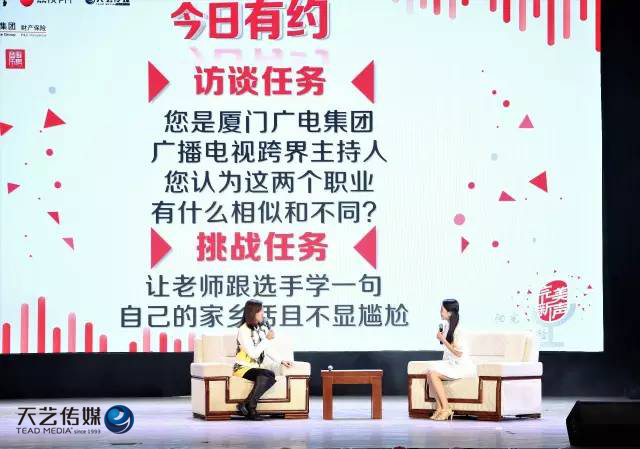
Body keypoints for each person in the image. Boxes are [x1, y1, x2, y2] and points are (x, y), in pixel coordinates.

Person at [233, 299, 293, 420]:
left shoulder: (258, 328)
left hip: (255, 368)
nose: (263, 314)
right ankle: (250, 407)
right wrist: (266, 339)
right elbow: (253, 354)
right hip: (243, 368)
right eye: (261, 311)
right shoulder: (243, 330)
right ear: (253, 313)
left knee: (269, 374)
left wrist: (281, 360)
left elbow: (267, 349)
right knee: (267, 374)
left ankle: (247, 404)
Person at [425, 298, 476, 421]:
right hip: (451, 363)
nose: (440, 312)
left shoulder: (459, 330)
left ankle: (447, 408)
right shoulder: (446, 326)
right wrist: (442, 338)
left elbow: (458, 353)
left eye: (442, 310)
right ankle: (439, 408)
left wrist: (443, 339)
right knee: (429, 372)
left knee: (433, 374)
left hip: (461, 366)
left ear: (450, 312)